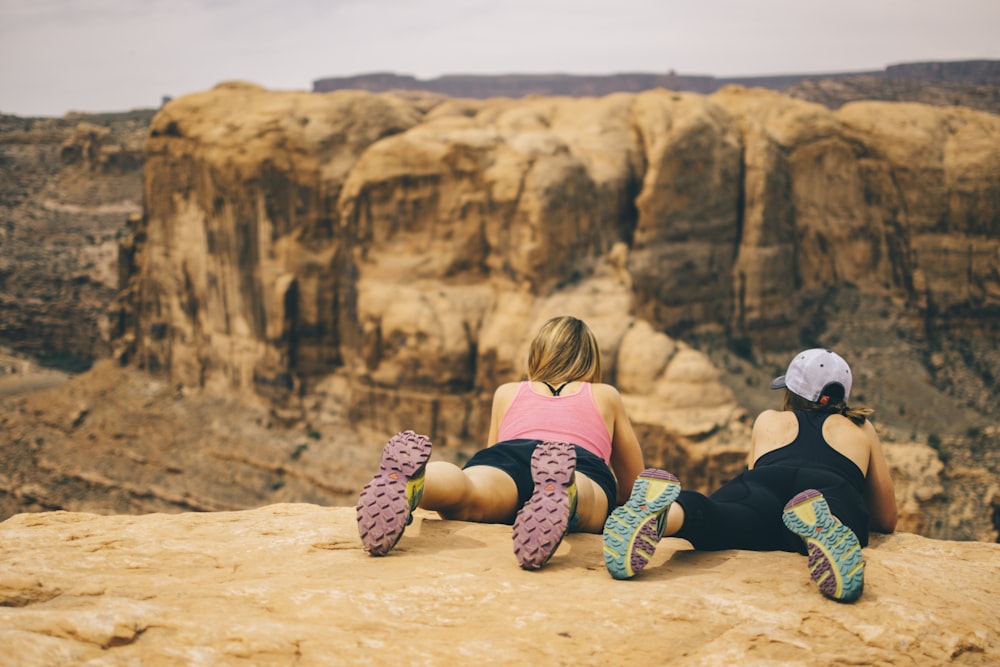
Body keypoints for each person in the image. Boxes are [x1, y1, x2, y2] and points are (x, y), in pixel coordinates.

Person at [603, 348, 897, 602]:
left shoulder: (768, 420)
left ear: (791, 394)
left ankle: (668, 514)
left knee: (719, 515)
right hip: (827, 488)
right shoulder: (861, 428)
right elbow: (885, 518)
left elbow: (753, 471)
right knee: (834, 510)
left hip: (764, 486)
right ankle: (827, 524)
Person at [356, 315, 647, 569]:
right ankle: (567, 492)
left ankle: (419, 481)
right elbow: (633, 487)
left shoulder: (507, 392)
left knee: (471, 490)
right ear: (591, 360)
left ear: (537, 356)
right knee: (588, 498)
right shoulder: (606, 395)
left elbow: (492, 452)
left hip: (509, 457)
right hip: (575, 460)